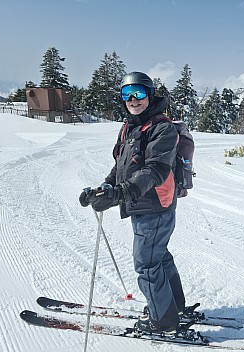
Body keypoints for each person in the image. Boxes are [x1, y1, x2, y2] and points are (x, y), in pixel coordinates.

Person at [79, 72, 186, 333]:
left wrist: (120, 194)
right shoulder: (130, 126)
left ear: (149, 95)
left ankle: (163, 322)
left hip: (155, 205)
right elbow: (121, 167)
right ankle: (175, 306)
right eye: (127, 94)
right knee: (158, 256)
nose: (133, 99)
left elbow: (155, 171)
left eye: (138, 93)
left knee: (147, 264)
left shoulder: (163, 129)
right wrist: (104, 188)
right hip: (141, 204)